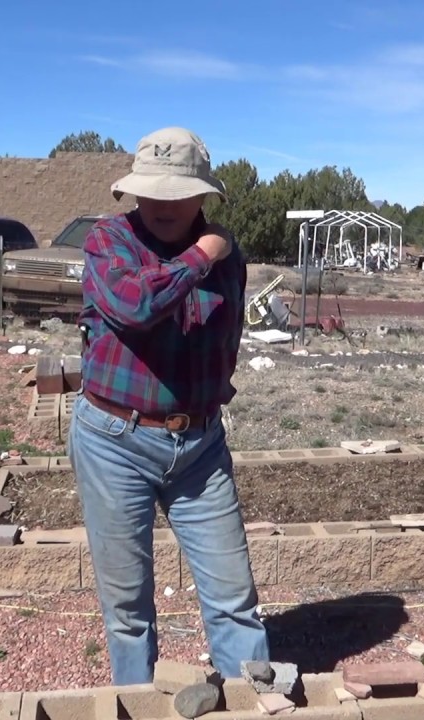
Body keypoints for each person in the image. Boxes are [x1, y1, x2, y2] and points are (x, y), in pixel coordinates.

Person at [69, 126, 270, 685]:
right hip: (115, 441)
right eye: (151, 191)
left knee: (234, 598)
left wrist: (213, 398)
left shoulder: (228, 261)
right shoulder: (108, 242)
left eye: (177, 193)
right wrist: (203, 254)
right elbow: (135, 305)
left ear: (202, 195)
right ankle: (137, 702)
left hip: (200, 449)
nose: (162, 204)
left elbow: (227, 337)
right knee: (129, 610)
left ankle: (255, 700)